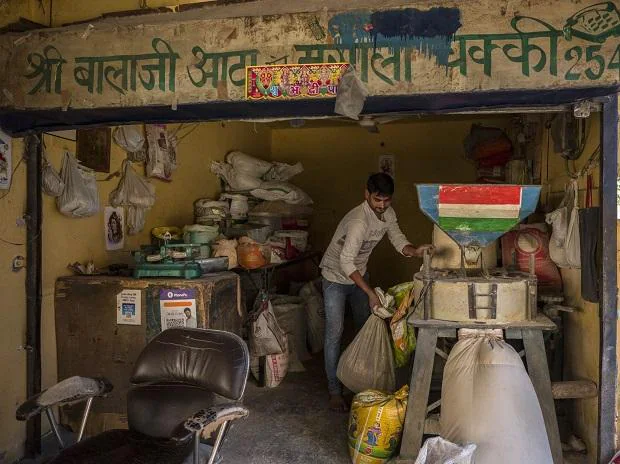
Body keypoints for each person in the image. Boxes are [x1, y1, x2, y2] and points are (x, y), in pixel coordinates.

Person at [320, 173, 433, 411]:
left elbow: (397, 238)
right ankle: (334, 391)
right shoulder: (358, 221)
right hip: (335, 278)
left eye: (386, 200)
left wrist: (415, 251)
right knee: (335, 333)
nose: (381, 205)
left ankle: (359, 382)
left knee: (365, 329)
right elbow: (346, 262)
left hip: (359, 275)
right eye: (376, 200)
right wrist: (371, 293)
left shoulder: (388, 215)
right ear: (366, 194)